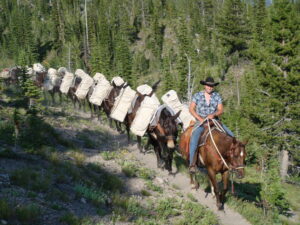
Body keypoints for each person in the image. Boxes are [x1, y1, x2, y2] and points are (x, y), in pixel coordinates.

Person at [189, 77, 234, 173]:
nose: (210, 87)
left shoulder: (217, 96)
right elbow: (191, 109)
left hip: (214, 121)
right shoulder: (197, 95)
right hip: (201, 121)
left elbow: (221, 109)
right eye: (208, 85)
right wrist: (200, 119)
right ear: (205, 85)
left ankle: (232, 162)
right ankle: (192, 164)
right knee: (194, 139)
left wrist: (213, 114)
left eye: (212, 86)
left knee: (232, 136)